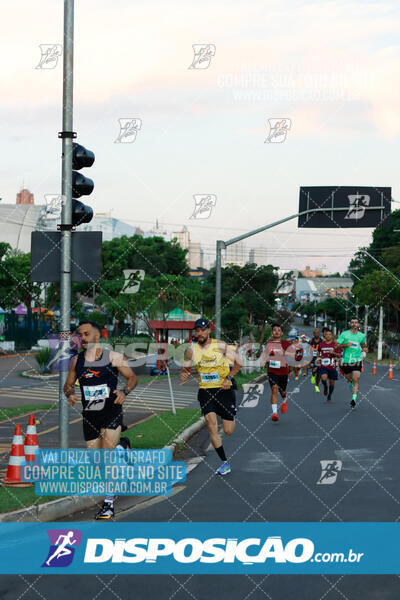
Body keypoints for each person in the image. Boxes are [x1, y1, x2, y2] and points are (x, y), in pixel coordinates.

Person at [64, 321, 137, 519]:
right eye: (80, 335)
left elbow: (132, 378)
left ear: (97, 336)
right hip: (90, 416)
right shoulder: (76, 362)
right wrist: (69, 394)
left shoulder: (113, 357)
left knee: (106, 456)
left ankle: (109, 503)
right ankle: (123, 447)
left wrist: (125, 391)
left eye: (86, 334)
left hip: (111, 412)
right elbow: (68, 385)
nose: (82, 338)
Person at [180, 318, 241, 475]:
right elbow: (187, 368)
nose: (199, 333)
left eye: (202, 330)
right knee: (211, 423)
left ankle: (231, 415)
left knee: (228, 430)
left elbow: (239, 363)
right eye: (197, 331)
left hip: (224, 390)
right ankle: (224, 462)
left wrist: (229, 378)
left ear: (208, 331)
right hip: (205, 391)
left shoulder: (220, 345)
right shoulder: (191, 349)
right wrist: (185, 374)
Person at [260, 323, 291, 422]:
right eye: (274, 330)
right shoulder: (268, 343)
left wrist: (284, 353)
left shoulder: (286, 344)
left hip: (283, 371)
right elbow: (265, 354)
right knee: (274, 389)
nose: (276, 332)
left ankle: (285, 398)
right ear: (272, 332)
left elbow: (295, 356)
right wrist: (263, 360)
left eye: (279, 330)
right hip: (272, 370)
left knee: (282, 391)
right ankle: (274, 413)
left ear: (281, 333)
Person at [337, 318, 368, 408]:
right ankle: (351, 383)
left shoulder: (361, 336)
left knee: (356, 378)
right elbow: (337, 345)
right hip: (346, 360)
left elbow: (363, 345)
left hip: (357, 360)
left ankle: (353, 400)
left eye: (356, 322)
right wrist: (345, 345)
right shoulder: (344, 334)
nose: (354, 324)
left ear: (358, 324)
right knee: (349, 378)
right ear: (350, 324)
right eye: (352, 322)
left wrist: (365, 349)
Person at [317, 328, 341, 402]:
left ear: (332, 336)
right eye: (326, 334)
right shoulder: (321, 344)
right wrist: (318, 359)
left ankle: (329, 395)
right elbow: (318, 353)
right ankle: (325, 387)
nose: (328, 336)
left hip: (332, 366)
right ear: (324, 335)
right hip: (323, 365)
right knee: (323, 378)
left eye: (329, 334)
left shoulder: (335, 345)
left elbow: (340, 355)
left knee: (332, 383)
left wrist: (333, 353)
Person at [309, 328, 322, 392]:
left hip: (319, 357)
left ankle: (316, 386)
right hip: (313, 357)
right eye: (315, 333)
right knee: (314, 369)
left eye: (318, 333)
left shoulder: (322, 341)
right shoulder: (311, 341)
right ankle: (313, 375)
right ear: (313, 334)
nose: (316, 334)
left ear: (319, 334)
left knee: (319, 373)